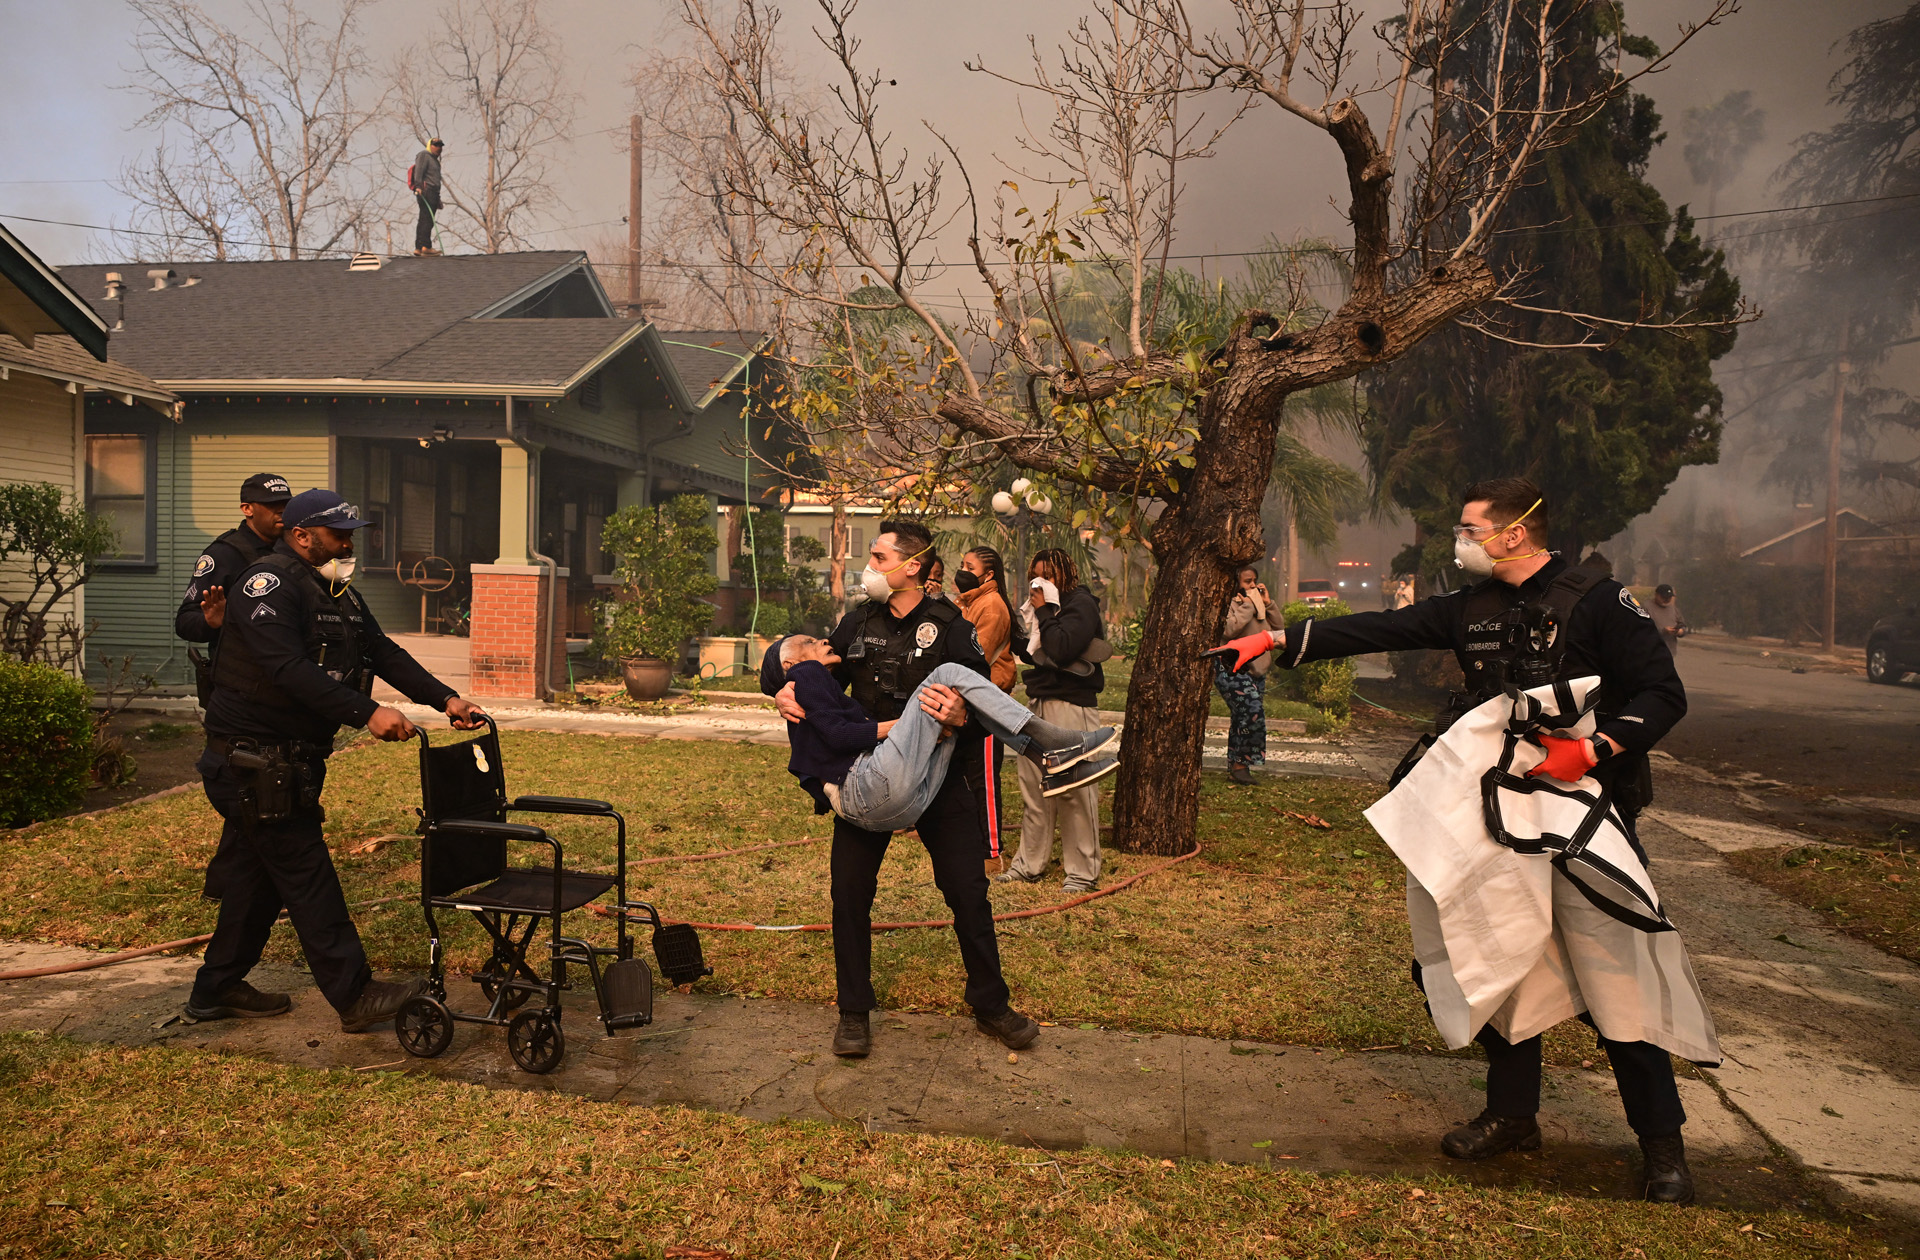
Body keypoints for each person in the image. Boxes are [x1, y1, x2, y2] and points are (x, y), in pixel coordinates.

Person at [1208, 477, 1702, 1204]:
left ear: (1515, 533)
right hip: (1495, 818)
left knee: (1614, 971)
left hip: (1585, 817)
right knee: (1496, 954)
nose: (1460, 540)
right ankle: (1512, 1117)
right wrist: (1275, 639)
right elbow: (1382, 628)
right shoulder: (1473, 606)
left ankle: (1664, 1148)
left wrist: (1594, 752)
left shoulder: (1600, 602)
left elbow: (1664, 693)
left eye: (1470, 528)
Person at [186, 489, 490, 1033]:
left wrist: (446, 699)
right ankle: (355, 995)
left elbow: (383, 651)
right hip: (250, 764)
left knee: (259, 878)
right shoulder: (267, 586)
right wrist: (366, 712)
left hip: (285, 762)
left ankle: (216, 987)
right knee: (307, 876)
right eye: (337, 532)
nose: (349, 542)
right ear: (301, 535)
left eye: (351, 532)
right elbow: (286, 668)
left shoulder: (335, 590)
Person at [770, 519, 1042, 1059]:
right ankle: (853, 1011)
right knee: (849, 894)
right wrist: (781, 693)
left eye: (876, 556)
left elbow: (983, 699)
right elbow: (814, 677)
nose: (868, 566)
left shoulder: (951, 626)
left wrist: (962, 712)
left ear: (910, 565)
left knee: (967, 892)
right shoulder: (856, 624)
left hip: (942, 776)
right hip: (870, 775)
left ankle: (991, 1004)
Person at [765, 634, 1116, 831]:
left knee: (950, 700)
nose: (823, 639)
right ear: (790, 665)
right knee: (947, 674)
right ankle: (1051, 741)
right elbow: (840, 736)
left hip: (894, 809)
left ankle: (1049, 760)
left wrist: (924, 727)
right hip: (865, 787)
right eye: (808, 641)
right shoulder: (806, 674)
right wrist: (904, 727)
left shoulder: (810, 684)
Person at [999, 548, 1108, 894]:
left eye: (1047, 575)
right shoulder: (1040, 611)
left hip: (1072, 705)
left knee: (1075, 789)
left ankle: (1082, 873)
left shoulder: (1080, 604)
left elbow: (1061, 648)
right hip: (1039, 703)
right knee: (1034, 789)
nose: (1040, 583)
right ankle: (1029, 865)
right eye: (1035, 575)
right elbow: (1034, 653)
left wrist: (1045, 609)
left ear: (1065, 573)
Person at [176, 473, 293, 708]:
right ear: (247, 509)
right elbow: (185, 621)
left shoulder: (292, 550)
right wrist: (213, 622)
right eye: (272, 505)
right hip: (240, 692)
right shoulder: (225, 554)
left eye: (286, 504)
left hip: (285, 683)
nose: (281, 511)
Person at [955, 546, 1017, 854]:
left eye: (969, 566)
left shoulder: (991, 606)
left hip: (987, 703)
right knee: (966, 775)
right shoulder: (972, 603)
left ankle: (992, 851)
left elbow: (977, 656)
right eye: (962, 564)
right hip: (970, 700)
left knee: (984, 780)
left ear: (988, 574)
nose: (962, 571)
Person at [1216, 566, 1282, 786]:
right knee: (1253, 713)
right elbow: (1229, 630)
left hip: (1257, 671)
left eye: (1254, 580)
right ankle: (1241, 765)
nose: (1252, 585)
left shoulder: (1259, 604)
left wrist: (1267, 604)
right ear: (1236, 582)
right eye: (1247, 581)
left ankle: (1236, 765)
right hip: (1232, 668)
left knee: (1241, 719)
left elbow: (1278, 629)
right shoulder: (1230, 603)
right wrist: (1247, 605)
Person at [410, 138, 444, 256]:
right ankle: (425, 246)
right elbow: (418, 171)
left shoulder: (435, 161)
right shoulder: (424, 155)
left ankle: (419, 247)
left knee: (425, 218)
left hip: (433, 193)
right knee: (427, 219)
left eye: (440, 146)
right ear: (430, 145)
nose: (439, 148)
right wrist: (418, 186)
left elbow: (436, 180)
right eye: (436, 145)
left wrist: (438, 198)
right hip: (426, 191)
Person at [1649, 584, 1687, 653]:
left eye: (1669, 597)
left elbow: (1682, 624)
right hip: (1651, 651)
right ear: (1656, 595)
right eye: (1664, 597)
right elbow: (1642, 630)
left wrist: (1680, 631)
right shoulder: (1646, 608)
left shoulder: (1674, 609)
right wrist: (1663, 631)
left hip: (1669, 651)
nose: (1666, 599)